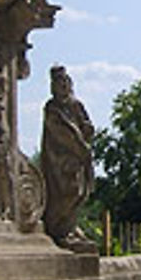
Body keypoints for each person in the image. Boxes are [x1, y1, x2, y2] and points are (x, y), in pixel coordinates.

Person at [41, 65, 95, 243]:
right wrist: (77, 143)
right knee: (66, 191)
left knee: (79, 192)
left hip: (77, 157)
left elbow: (86, 123)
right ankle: (57, 228)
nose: (63, 85)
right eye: (58, 82)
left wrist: (87, 129)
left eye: (65, 81)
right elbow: (59, 132)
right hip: (60, 157)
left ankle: (69, 226)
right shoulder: (51, 107)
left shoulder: (76, 104)